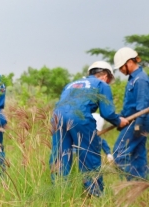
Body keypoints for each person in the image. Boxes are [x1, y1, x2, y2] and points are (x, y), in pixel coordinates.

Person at [49, 61, 128, 196]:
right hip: (79, 117)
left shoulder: (71, 84)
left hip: (57, 118)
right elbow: (107, 112)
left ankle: (60, 194)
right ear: (105, 75)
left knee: (60, 156)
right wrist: (118, 121)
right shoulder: (101, 84)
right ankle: (94, 194)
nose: (108, 83)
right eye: (109, 80)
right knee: (88, 155)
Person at [113, 47, 149, 181]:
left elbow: (142, 105)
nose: (121, 70)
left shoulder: (140, 80)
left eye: (121, 67)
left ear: (129, 62)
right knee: (138, 155)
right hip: (132, 119)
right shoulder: (133, 79)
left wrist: (138, 125)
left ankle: (131, 183)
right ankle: (140, 185)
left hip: (139, 121)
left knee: (119, 154)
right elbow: (129, 105)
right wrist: (120, 118)